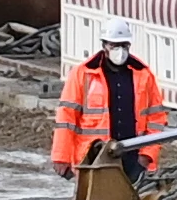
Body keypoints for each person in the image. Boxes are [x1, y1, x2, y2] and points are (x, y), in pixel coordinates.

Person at [51, 29, 164, 175]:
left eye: (124, 45)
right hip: (94, 156)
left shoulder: (143, 74)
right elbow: (66, 118)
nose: (120, 51)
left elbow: (156, 118)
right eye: (114, 45)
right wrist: (61, 157)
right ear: (104, 46)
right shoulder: (83, 74)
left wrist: (147, 154)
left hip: (133, 157)